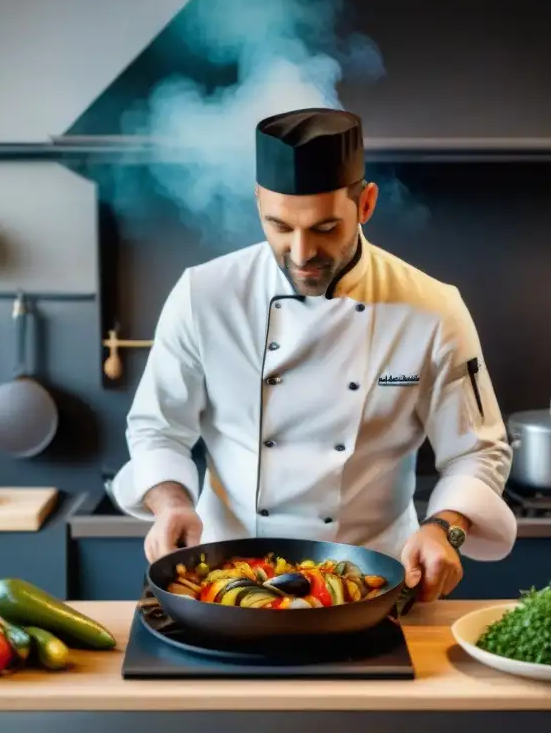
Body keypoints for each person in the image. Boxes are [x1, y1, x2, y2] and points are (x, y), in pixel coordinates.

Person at [112, 107, 515, 603]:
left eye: (325, 228)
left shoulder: (432, 309)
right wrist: (171, 503)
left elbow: (477, 450)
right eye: (279, 226)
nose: (301, 252)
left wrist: (444, 528)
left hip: (373, 584)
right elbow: (157, 427)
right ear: (259, 202)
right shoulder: (204, 295)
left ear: (365, 204)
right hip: (222, 581)